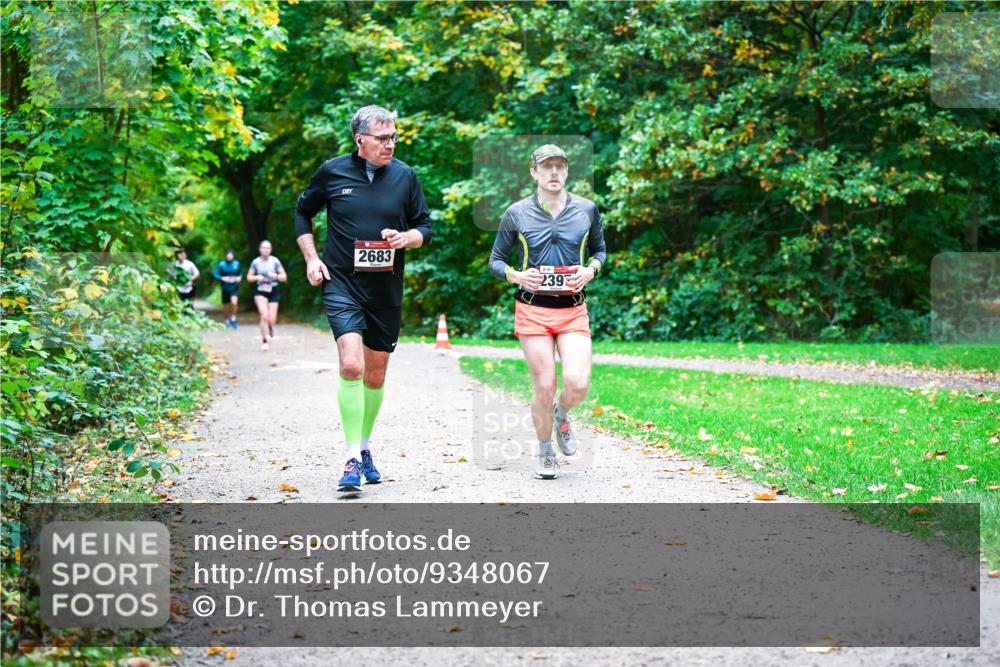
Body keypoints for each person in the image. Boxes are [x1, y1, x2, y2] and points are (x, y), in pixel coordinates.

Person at [293, 104, 431, 493]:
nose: (390, 144)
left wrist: (407, 238)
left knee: (375, 373)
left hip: (385, 287)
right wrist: (312, 258)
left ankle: (366, 446)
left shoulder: (405, 176)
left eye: (394, 137)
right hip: (342, 283)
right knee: (352, 366)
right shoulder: (332, 171)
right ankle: (352, 457)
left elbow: (424, 227)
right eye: (382, 138)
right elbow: (302, 213)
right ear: (360, 140)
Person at [488, 144, 607, 480]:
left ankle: (562, 413)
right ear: (534, 172)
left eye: (560, 167)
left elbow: (599, 251)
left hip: (573, 310)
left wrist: (591, 270)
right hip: (533, 309)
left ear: (567, 171)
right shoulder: (516, 213)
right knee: (544, 384)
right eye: (547, 167)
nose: (554, 172)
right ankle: (545, 452)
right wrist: (517, 275)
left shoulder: (587, 209)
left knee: (577, 383)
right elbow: (495, 261)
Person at [246, 240, 287, 351]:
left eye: (268, 248)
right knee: (264, 315)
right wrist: (256, 277)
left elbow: (284, 277)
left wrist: (276, 276)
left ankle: (270, 326)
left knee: (271, 319)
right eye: (264, 248)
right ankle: (264, 341)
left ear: (271, 249)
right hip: (260, 290)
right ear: (260, 249)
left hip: (273, 290)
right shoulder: (255, 262)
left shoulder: (275, 261)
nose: (266, 250)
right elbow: (248, 277)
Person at [212, 248, 242, 329]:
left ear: (233, 255)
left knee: (234, 302)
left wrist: (239, 277)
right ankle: (226, 320)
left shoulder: (237, 264)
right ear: (225, 255)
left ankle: (233, 319)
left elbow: (240, 273)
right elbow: (215, 274)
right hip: (225, 288)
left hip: (234, 287)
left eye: (231, 255)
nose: (230, 256)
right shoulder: (221, 265)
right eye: (228, 255)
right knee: (226, 305)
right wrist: (222, 278)